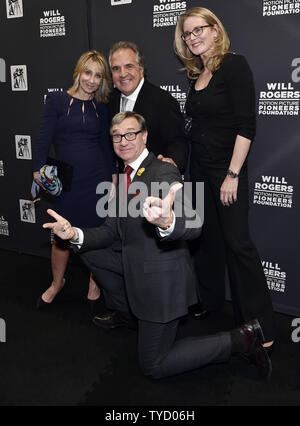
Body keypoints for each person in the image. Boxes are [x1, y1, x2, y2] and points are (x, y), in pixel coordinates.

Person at [42, 111, 272, 380]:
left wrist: (168, 221)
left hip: (160, 282)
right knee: (89, 250)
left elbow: (193, 221)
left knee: (153, 365)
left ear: (145, 136)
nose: (123, 141)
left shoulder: (162, 170)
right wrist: (73, 234)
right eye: (117, 136)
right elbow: (108, 232)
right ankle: (128, 311)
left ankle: (241, 340)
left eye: (130, 134)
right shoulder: (123, 176)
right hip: (136, 267)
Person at [174, 7, 274, 350]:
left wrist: (232, 174)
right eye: (187, 34)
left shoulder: (234, 65)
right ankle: (211, 304)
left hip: (226, 171)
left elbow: (246, 126)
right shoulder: (195, 76)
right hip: (200, 170)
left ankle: (262, 326)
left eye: (199, 29)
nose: (193, 37)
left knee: (237, 244)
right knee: (206, 242)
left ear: (216, 30)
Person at [33, 50, 117, 309]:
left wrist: (112, 178)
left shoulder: (101, 107)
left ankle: (95, 281)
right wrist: (37, 170)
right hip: (67, 181)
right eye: (88, 73)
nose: (92, 80)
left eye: (98, 76)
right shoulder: (57, 100)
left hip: (96, 178)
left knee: (94, 232)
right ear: (78, 72)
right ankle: (57, 282)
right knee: (61, 235)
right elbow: (44, 137)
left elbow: (105, 145)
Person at [108, 41, 189, 173]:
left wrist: (171, 163)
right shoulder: (109, 100)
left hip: (153, 182)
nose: (122, 74)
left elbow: (178, 142)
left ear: (141, 69)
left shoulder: (163, 101)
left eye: (129, 66)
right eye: (116, 68)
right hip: (123, 182)